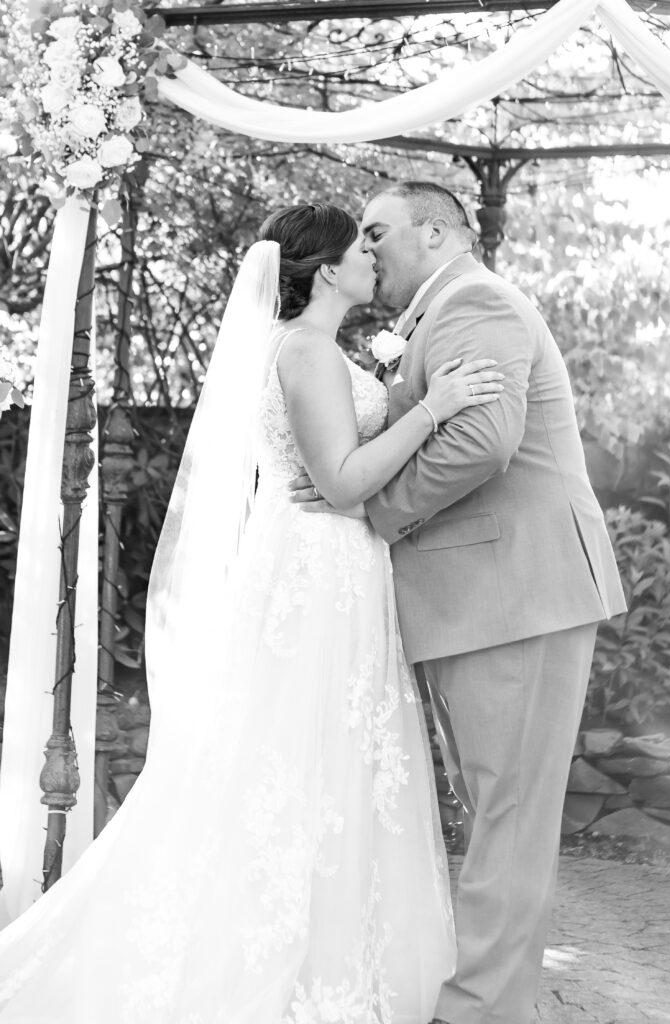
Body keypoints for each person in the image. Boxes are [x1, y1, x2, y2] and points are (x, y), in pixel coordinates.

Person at [0, 203, 505, 1023]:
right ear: (327, 270)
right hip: (316, 571)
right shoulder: (305, 351)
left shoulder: (319, 349)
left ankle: (331, 953)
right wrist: (432, 407)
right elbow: (341, 481)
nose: (372, 259)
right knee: (296, 764)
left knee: (325, 766)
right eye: (360, 248)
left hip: (335, 567)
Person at [291, 182, 627, 1024]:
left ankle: (477, 1012)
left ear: (435, 232)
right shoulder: (436, 317)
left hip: (513, 595)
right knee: (495, 820)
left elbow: (483, 439)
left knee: (506, 823)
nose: (367, 251)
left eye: (379, 233)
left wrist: (375, 511)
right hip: (481, 599)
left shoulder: (477, 303)